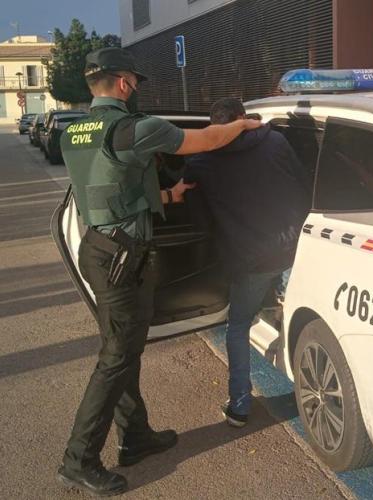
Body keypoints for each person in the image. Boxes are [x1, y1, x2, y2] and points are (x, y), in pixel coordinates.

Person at [56, 48, 261, 497]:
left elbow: (110, 190)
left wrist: (169, 196)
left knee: (124, 350)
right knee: (115, 359)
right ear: (124, 83)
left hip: (99, 249)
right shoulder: (136, 128)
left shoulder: (75, 132)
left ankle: (135, 436)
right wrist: (242, 126)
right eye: (135, 83)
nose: (136, 90)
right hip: (122, 259)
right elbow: (208, 139)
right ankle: (78, 459)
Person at [184, 98, 310, 428]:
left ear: (213, 127)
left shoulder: (200, 161)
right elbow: (302, 183)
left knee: (239, 326)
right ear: (244, 118)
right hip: (294, 248)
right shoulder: (276, 141)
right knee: (304, 319)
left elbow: (199, 220)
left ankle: (239, 405)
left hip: (249, 259)